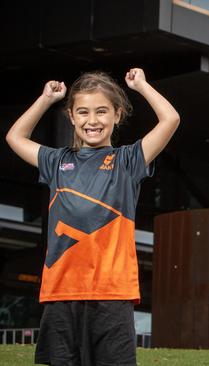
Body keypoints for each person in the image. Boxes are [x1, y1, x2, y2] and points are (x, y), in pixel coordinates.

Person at [5, 68, 180, 365]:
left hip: (112, 293)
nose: (92, 120)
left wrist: (142, 86)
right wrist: (45, 100)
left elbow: (171, 119)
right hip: (60, 292)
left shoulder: (128, 160)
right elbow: (15, 136)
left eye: (102, 111)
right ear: (71, 117)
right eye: (83, 112)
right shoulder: (56, 161)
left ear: (117, 114)